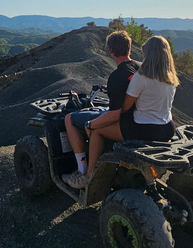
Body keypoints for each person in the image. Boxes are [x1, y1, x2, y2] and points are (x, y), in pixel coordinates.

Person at [69, 35, 179, 189]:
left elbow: (124, 109)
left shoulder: (141, 77)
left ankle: (87, 176)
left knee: (96, 130)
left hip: (144, 129)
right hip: (167, 128)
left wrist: (91, 124)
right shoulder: (171, 78)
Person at [61, 31, 140, 188]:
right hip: (142, 117)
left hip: (127, 123)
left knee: (70, 119)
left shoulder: (118, 75)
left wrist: (91, 124)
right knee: (100, 112)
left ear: (110, 50)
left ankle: (82, 171)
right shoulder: (141, 67)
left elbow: (114, 115)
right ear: (129, 48)